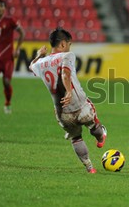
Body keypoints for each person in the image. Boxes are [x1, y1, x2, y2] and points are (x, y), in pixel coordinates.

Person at [29, 27, 107, 173]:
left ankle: (90, 167)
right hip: (80, 105)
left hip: (62, 113)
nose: (69, 47)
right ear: (63, 44)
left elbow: (31, 66)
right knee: (94, 125)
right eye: (69, 44)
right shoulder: (67, 56)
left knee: (76, 137)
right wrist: (69, 91)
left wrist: (39, 55)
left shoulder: (41, 64)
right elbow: (65, 74)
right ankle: (100, 139)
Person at [0, 0, 25, 113]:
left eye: (1, 6)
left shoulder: (10, 20)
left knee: (6, 82)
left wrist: (17, 49)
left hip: (8, 57)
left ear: (4, 9)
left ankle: (7, 103)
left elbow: (22, 32)